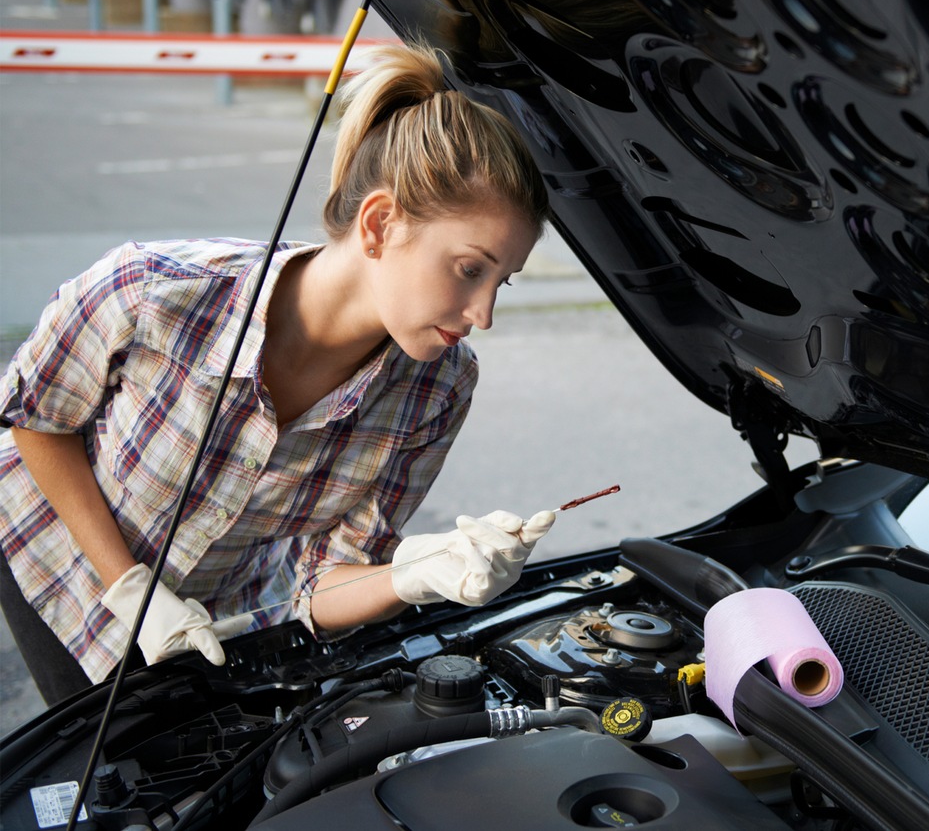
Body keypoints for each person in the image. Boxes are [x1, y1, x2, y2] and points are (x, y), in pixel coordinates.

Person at [0, 42, 555, 706]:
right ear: (380, 225)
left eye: (504, 281)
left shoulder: (439, 389)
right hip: (51, 556)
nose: (484, 314)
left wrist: (414, 575)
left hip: (213, 613)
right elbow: (36, 419)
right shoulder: (152, 291)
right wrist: (129, 590)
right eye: (471, 269)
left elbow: (322, 584)